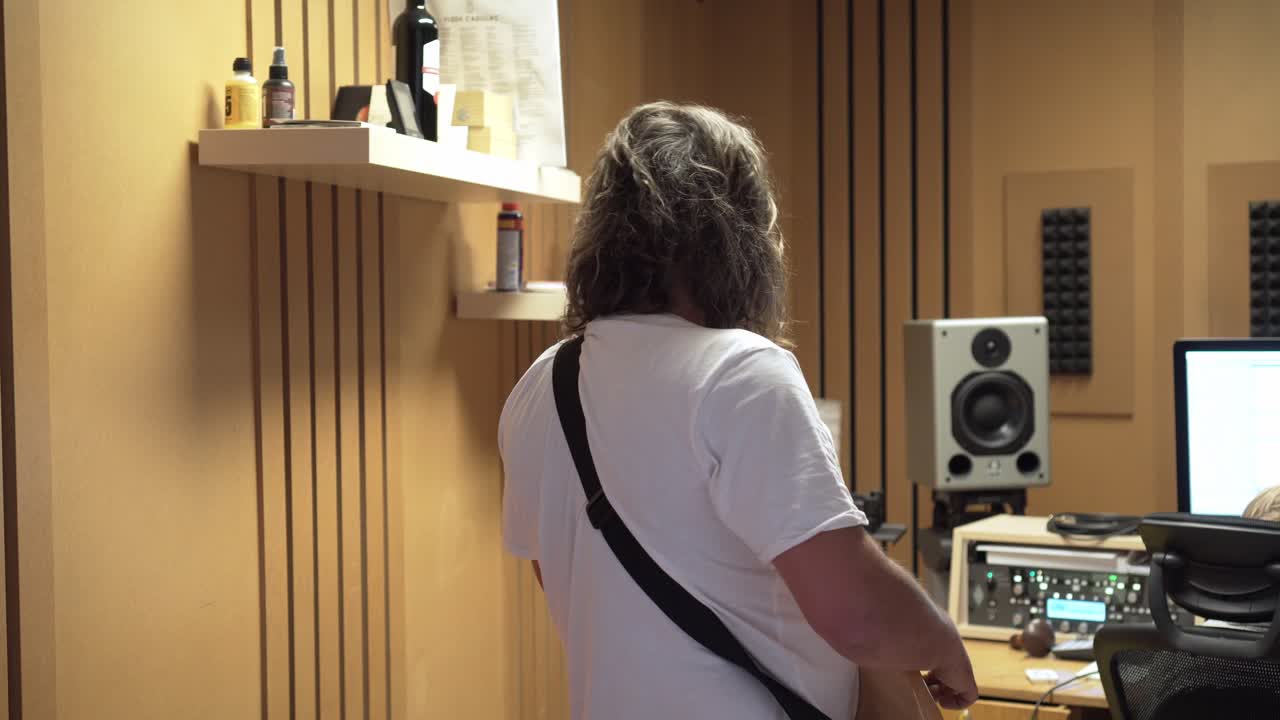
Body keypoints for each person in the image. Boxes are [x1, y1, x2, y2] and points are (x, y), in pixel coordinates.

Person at [499, 101, 977, 719]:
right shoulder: (740, 371)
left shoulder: (541, 385)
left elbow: (565, 577)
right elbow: (856, 616)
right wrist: (941, 641)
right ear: (738, 238)